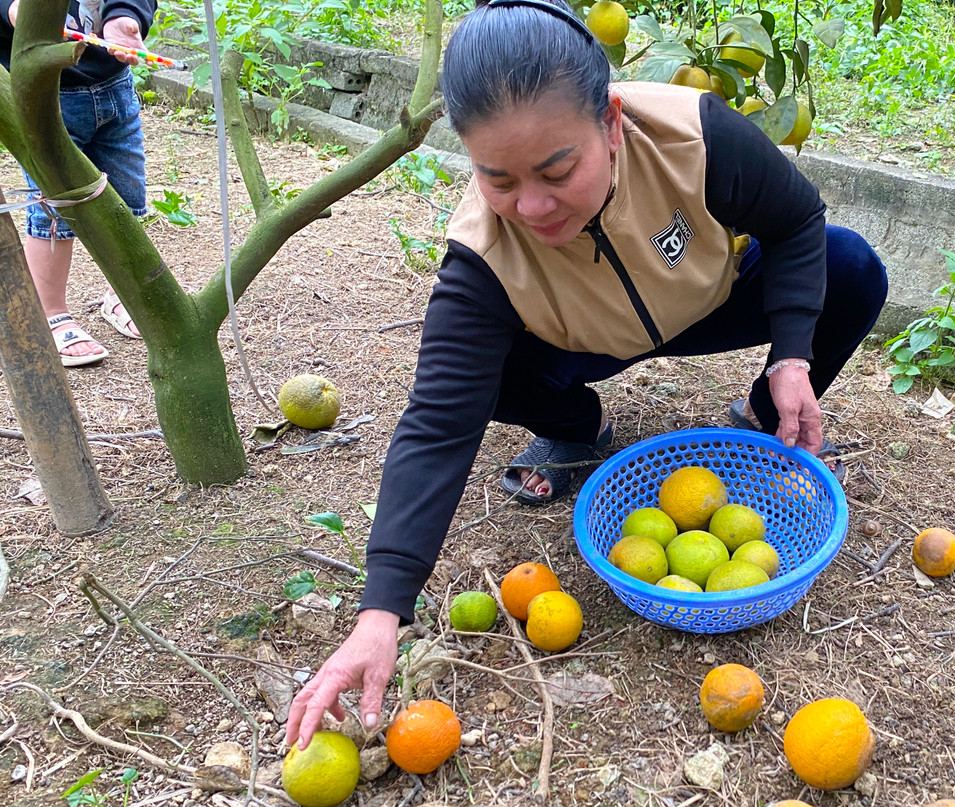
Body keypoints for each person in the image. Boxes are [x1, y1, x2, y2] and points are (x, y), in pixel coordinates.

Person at [284, 0, 887, 749]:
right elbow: (437, 425)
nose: (530, 205)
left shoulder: (690, 133)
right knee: (485, 377)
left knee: (851, 267)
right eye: (496, 177)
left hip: (709, 294)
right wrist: (381, 613)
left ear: (610, 121)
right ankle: (578, 428)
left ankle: (766, 419)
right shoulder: (481, 257)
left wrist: (792, 353)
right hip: (586, 338)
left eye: (556, 169)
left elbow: (796, 223)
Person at [1, 0, 153, 367]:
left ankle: (124, 295)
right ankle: (51, 312)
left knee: (127, 201)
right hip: (44, 94)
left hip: (114, 85)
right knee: (55, 207)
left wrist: (124, 16)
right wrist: (15, 10)